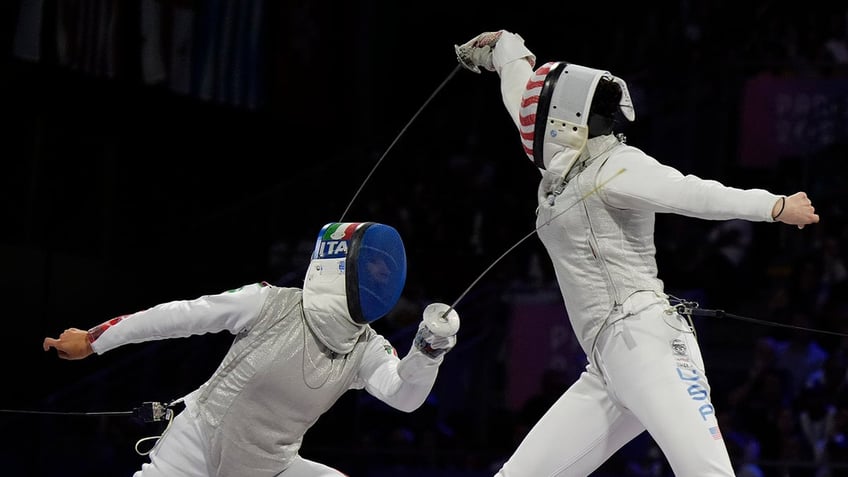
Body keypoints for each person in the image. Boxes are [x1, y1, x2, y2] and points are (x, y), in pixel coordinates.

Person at [454, 30, 820, 476]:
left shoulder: (617, 166)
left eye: (539, 114)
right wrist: (504, 48)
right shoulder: (564, 161)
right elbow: (523, 97)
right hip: (608, 365)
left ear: (564, 121)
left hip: (649, 345)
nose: (528, 122)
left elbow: (690, 193)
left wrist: (775, 206)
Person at [43, 221, 460, 477]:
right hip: (198, 450)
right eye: (375, 266)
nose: (383, 276)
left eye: (386, 271)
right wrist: (95, 339)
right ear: (342, 263)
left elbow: (404, 396)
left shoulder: (365, 346)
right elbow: (178, 316)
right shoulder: (270, 303)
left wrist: (426, 351)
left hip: (270, 467)